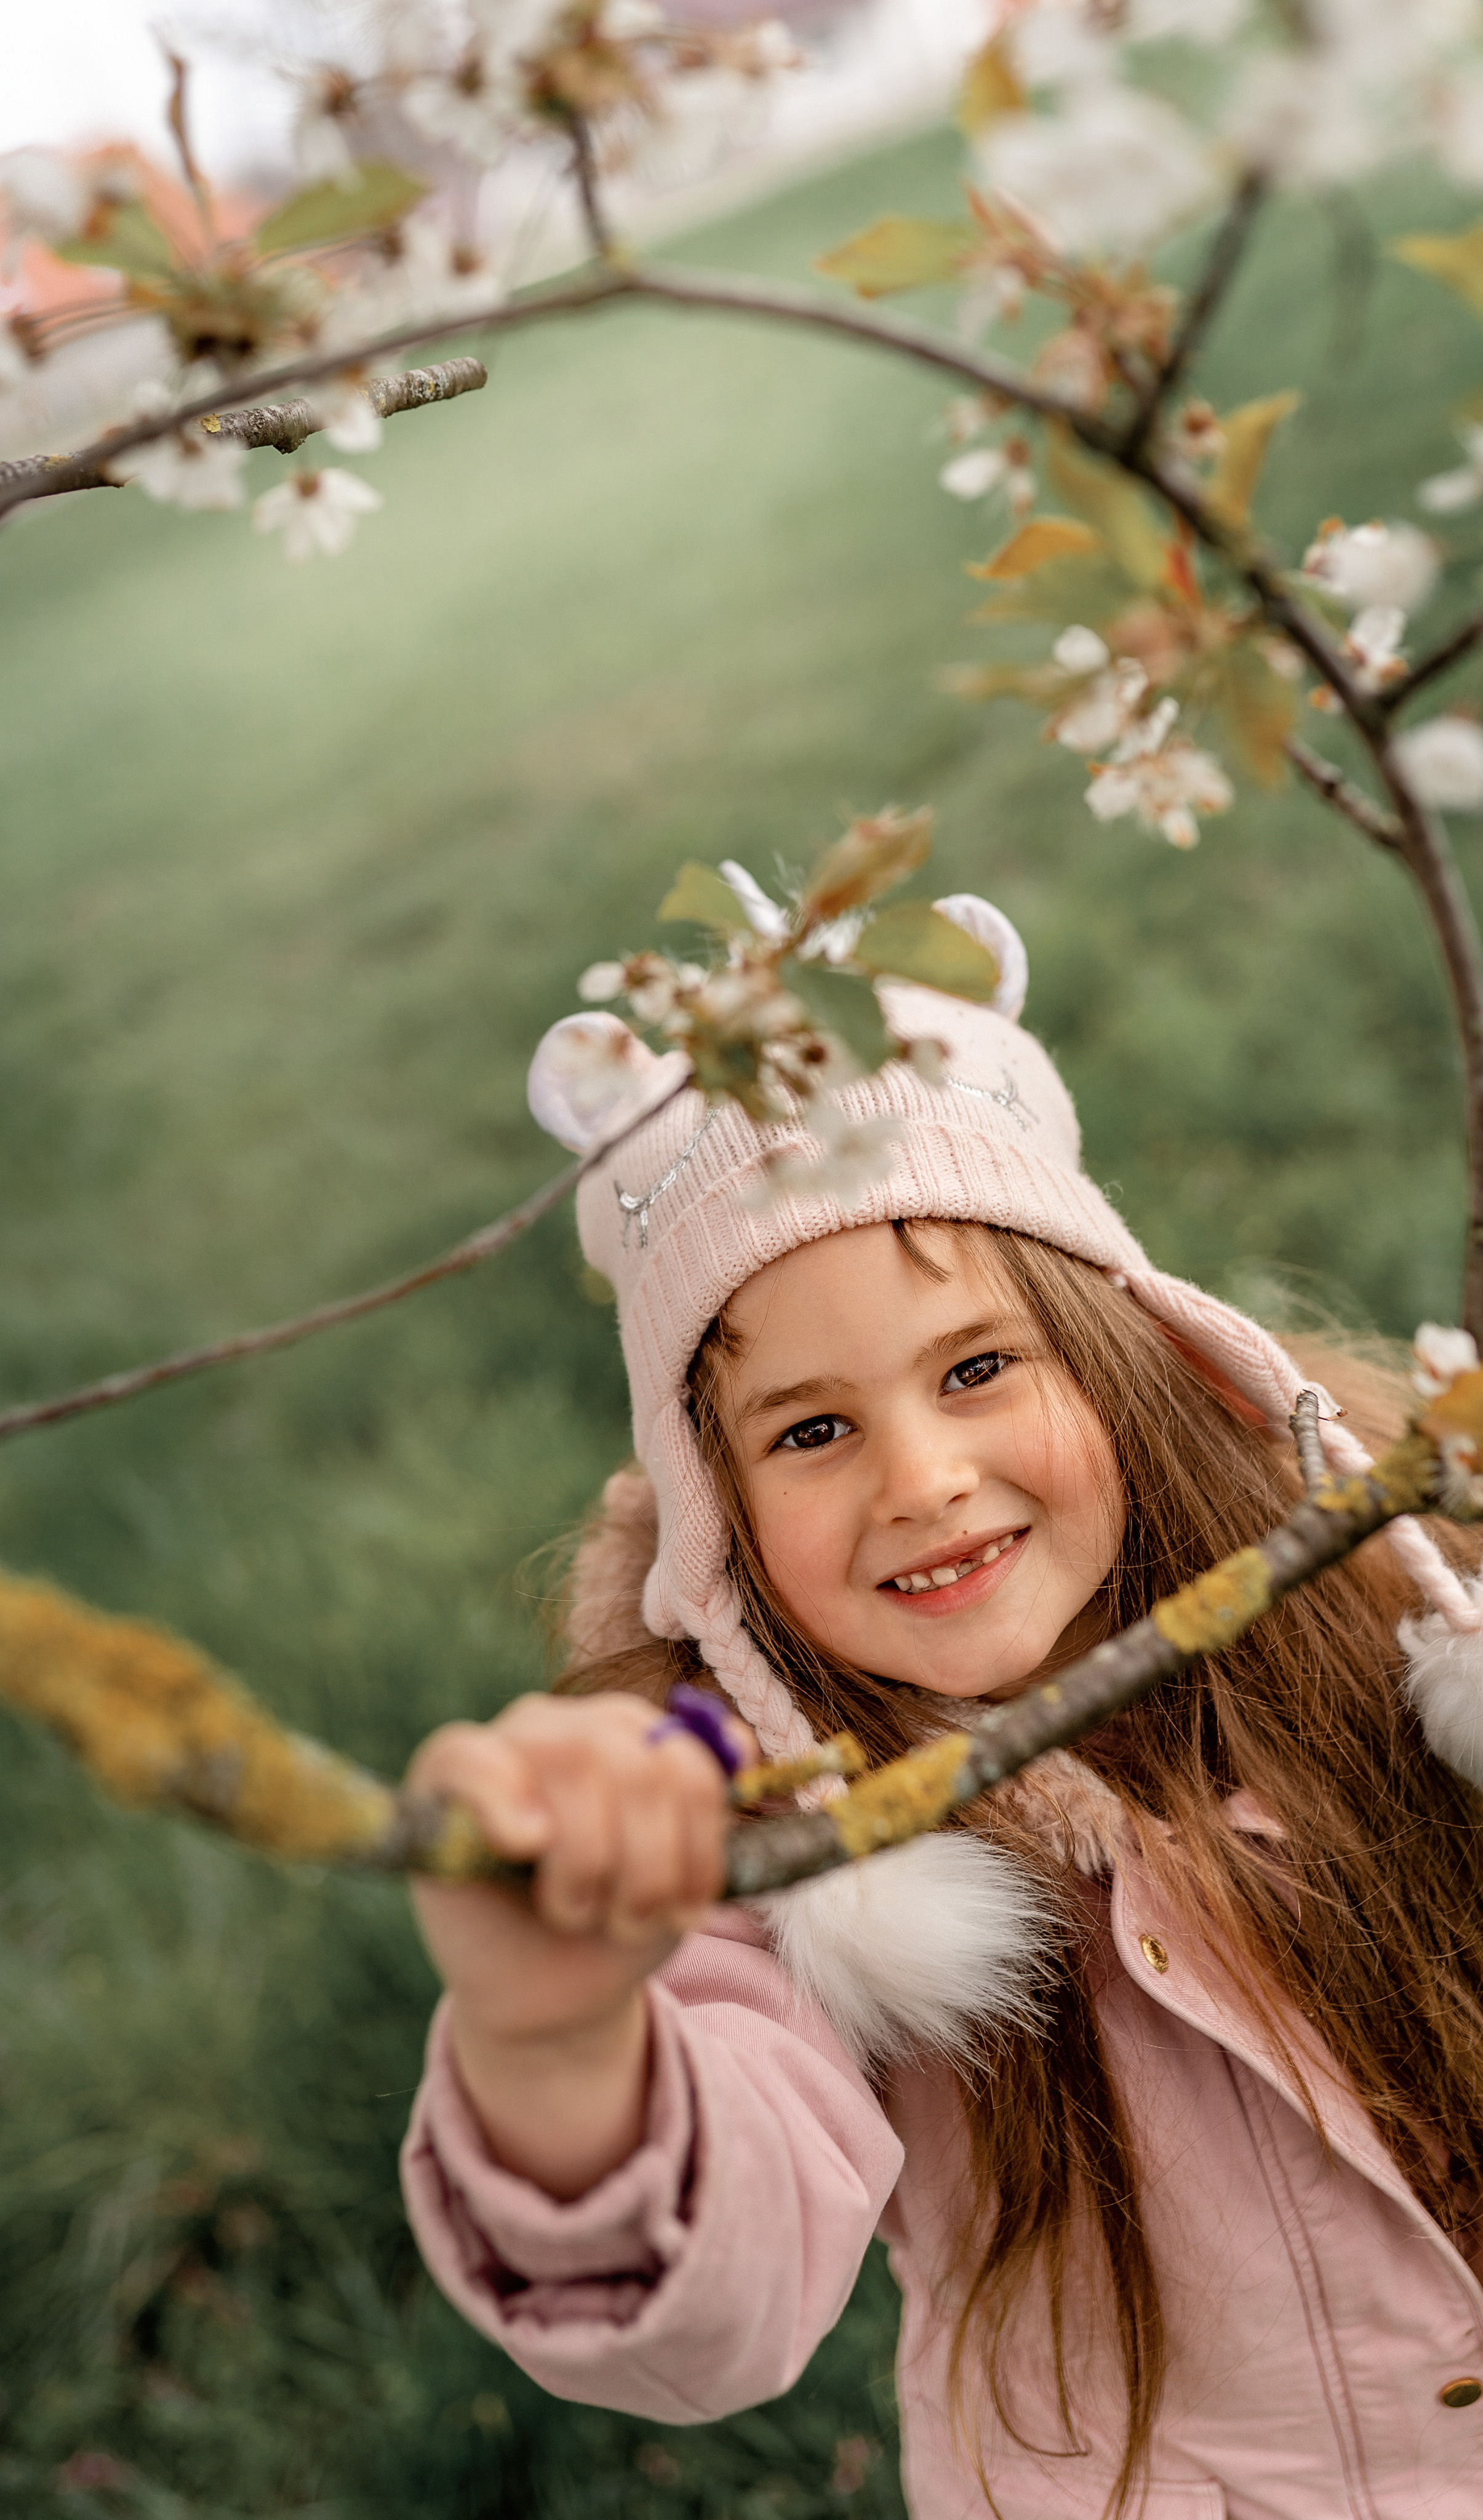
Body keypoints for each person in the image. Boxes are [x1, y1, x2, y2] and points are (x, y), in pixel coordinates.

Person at [399, 896, 1483, 2518]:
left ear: (1123, 1358)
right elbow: (707, 2322)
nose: (921, 1481)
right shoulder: (763, 1830)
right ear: (714, 1514)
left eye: (976, 1369)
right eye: (809, 1432)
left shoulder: (1391, 1608)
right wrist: (556, 2037)